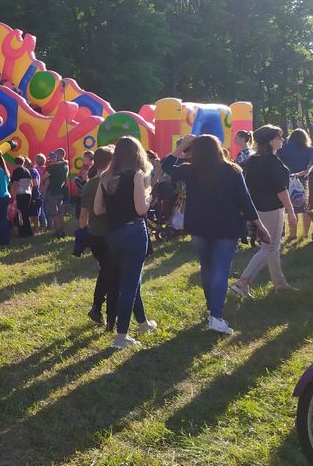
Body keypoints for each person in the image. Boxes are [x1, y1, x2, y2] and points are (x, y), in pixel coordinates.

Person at [164, 135, 269, 335]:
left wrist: (183, 145)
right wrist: (259, 225)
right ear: (218, 148)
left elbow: (166, 164)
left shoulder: (190, 170)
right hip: (226, 226)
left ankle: (211, 308)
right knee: (221, 270)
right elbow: (245, 199)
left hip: (199, 226)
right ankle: (216, 315)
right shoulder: (232, 170)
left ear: (196, 151)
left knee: (207, 268)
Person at [94, 136, 158, 349]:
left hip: (113, 235)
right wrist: (149, 199)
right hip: (133, 232)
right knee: (130, 284)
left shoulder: (105, 177)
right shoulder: (137, 175)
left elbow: (98, 210)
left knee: (133, 279)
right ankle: (121, 336)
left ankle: (143, 323)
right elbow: (141, 209)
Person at [231, 125, 298, 297]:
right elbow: (280, 189)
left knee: (272, 248)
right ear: (270, 141)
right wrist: (291, 212)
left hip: (258, 207)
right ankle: (243, 282)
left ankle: (280, 284)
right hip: (272, 208)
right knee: (268, 248)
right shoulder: (271, 161)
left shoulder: (253, 160)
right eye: (279, 137)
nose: (282, 140)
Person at [78, 146, 116, 327]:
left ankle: (97, 308)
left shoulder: (89, 184)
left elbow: (83, 215)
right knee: (112, 273)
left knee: (105, 270)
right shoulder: (111, 182)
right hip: (110, 235)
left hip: (94, 235)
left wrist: (83, 233)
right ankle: (109, 316)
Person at [277, 128, 311, 240]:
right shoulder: (309, 149)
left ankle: (292, 234)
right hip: (302, 180)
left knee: (289, 206)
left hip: (287, 179)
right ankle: (305, 234)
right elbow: (310, 166)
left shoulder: (284, 149)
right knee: (304, 207)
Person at [42, 149, 69, 239]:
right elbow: (66, 179)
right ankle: (62, 230)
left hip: (52, 191)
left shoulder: (52, 167)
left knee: (53, 213)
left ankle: (58, 231)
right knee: (60, 212)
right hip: (60, 191)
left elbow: (44, 177)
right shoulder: (65, 166)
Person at [10, 156, 34, 237]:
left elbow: (15, 184)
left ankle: (23, 232)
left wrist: (13, 196)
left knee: (20, 213)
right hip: (28, 193)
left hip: (20, 194)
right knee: (25, 213)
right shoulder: (27, 170)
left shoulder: (16, 171)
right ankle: (29, 231)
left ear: (15, 163)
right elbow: (31, 183)